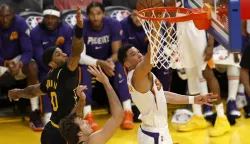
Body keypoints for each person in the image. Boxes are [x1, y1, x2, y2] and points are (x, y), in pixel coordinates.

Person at [8, 5, 84, 144]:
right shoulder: (66, 71)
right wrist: (79, 28)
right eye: (58, 54)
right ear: (51, 64)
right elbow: (77, 50)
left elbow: (33, 90)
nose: (64, 54)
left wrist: (18, 92)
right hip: (66, 130)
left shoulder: (48, 78)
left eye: (62, 52)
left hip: (51, 129)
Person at [117, 43, 218, 144]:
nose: (139, 55)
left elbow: (161, 95)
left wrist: (193, 99)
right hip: (155, 136)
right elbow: (149, 58)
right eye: (134, 54)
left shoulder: (141, 76)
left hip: (154, 132)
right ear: (127, 64)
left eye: (139, 52)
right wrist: (155, 34)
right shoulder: (138, 75)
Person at [174, 0, 231, 137]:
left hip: (198, 29)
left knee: (207, 73)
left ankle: (222, 118)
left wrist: (210, 44)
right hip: (182, 27)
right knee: (191, 73)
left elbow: (210, 11)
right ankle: (198, 116)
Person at [79, 2, 133, 131]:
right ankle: (87, 114)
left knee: (120, 66)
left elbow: (117, 51)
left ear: (103, 14)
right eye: (92, 14)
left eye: (98, 13)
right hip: (90, 62)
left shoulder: (113, 24)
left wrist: (108, 62)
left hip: (109, 61)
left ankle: (128, 111)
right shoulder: (82, 27)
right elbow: (81, 57)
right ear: (87, 16)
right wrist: (99, 63)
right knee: (84, 71)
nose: (95, 17)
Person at [0, 4, 42, 130]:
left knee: (33, 66)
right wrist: (6, 63)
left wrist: (20, 63)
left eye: (7, 16)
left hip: (17, 59)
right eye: (1, 17)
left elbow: (28, 51)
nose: (5, 19)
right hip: (2, 61)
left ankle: (35, 112)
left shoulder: (20, 23)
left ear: (13, 14)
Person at [30, 5, 73, 126]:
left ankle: (69, 114)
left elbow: (68, 53)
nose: (49, 21)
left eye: (53, 18)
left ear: (58, 19)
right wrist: (52, 68)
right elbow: (39, 56)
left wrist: (61, 67)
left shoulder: (66, 29)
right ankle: (48, 115)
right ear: (43, 19)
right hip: (45, 67)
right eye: (47, 17)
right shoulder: (36, 32)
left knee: (71, 76)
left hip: (63, 66)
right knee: (47, 78)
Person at [59, 66, 124, 144]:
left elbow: (73, 118)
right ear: (80, 133)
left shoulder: (70, 140)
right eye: (83, 123)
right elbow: (118, 116)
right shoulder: (93, 142)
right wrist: (106, 83)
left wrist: (81, 100)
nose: (86, 121)